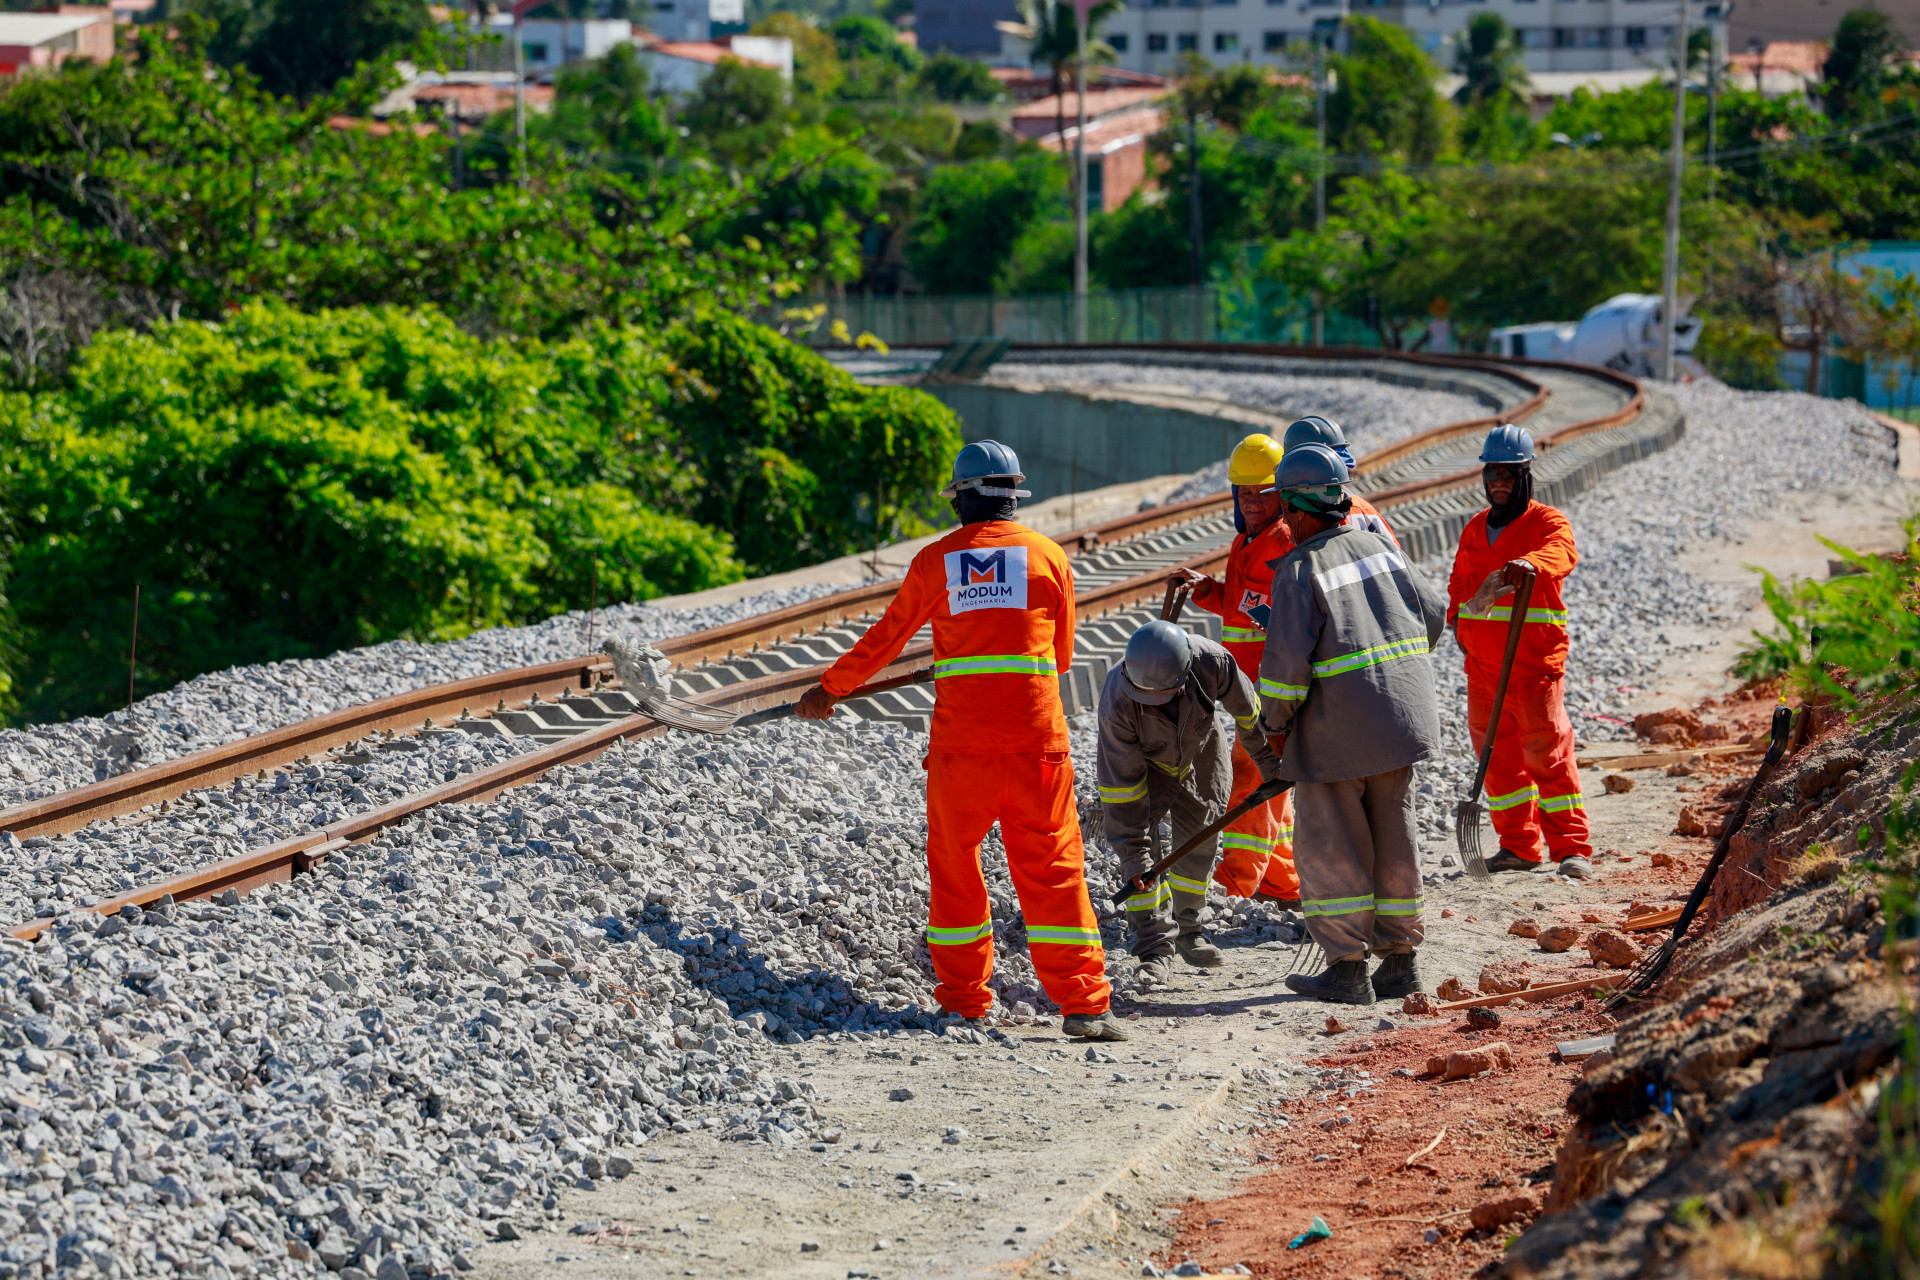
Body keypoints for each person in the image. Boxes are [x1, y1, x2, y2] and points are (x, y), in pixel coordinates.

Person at [795, 440, 1127, 1041]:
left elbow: (888, 636)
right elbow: (1062, 656)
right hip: (1037, 746)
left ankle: (965, 1001)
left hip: (963, 751)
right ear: (1013, 497)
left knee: (955, 870)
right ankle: (1084, 1004)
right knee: (1055, 869)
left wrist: (830, 688)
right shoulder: (1049, 556)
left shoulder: (937, 560)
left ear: (963, 499)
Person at [1169, 420, 1400, 910]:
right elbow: (1243, 608)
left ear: (1284, 494)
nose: (1253, 501)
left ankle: (1236, 882)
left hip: (1273, 689)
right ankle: (1282, 883)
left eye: (1263, 492)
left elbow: (1294, 619)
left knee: (1253, 777)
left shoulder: (1286, 541)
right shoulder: (1246, 541)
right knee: (1273, 783)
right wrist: (1208, 591)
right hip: (1246, 686)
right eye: (1244, 492)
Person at [1256, 444, 1447, 1006]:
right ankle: (1401, 963)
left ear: (1295, 509)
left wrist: (1275, 729)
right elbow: (1434, 615)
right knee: (1395, 838)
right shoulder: (1381, 546)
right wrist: (1395, 668)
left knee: (1331, 845)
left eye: (1285, 508)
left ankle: (1345, 969)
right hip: (1402, 723)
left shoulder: (1299, 569)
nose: (1284, 519)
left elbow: (1285, 671)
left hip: (1336, 735)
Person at [1095, 621, 1280, 983]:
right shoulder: (1117, 707)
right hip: (1146, 761)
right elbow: (1123, 795)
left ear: (1185, 674)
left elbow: (1248, 714)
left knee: (1201, 835)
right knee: (1140, 860)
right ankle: (1154, 945)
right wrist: (1136, 858)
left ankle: (1189, 929)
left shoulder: (1213, 662)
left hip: (1200, 747)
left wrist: (1268, 763)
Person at [1446, 425, 1592, 879]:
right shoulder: (1475, 528)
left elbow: (1562, 553)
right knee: (1498, 761)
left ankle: (1571, 848)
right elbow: (1460, 582)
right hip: (1483, 670)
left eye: (1509, 474)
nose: (1499, 482)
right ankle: (1518, 847)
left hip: (1531, 667)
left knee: (1547, 755)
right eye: (1493, 473)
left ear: (1525, 475)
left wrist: (1531, 563)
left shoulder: (1546, 522)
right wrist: (1457, 622)